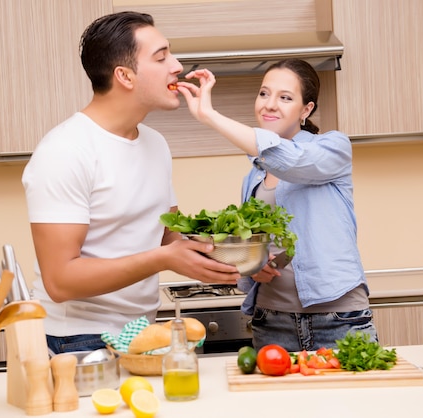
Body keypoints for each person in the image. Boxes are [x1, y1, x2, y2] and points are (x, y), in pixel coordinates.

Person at [21, 11, 240, 355]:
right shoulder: (64, 151)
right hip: (79, 340)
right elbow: (60, 280)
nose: (177, 65)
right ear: (124, 75)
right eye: (162, 56)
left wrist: (235, 258)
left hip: (141, 333)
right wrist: (164, 259)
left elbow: (168, 235)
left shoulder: (155, 143)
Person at [176, 59, 377, 352]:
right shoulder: (254, 177)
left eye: (285, 97)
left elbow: (290, 160)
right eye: (264, 94)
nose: (270, 105)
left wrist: (210, 115)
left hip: (339, 318)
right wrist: (254, 267)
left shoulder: (333, 149)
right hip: (272, 321)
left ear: (306, 110)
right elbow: (255, 249)